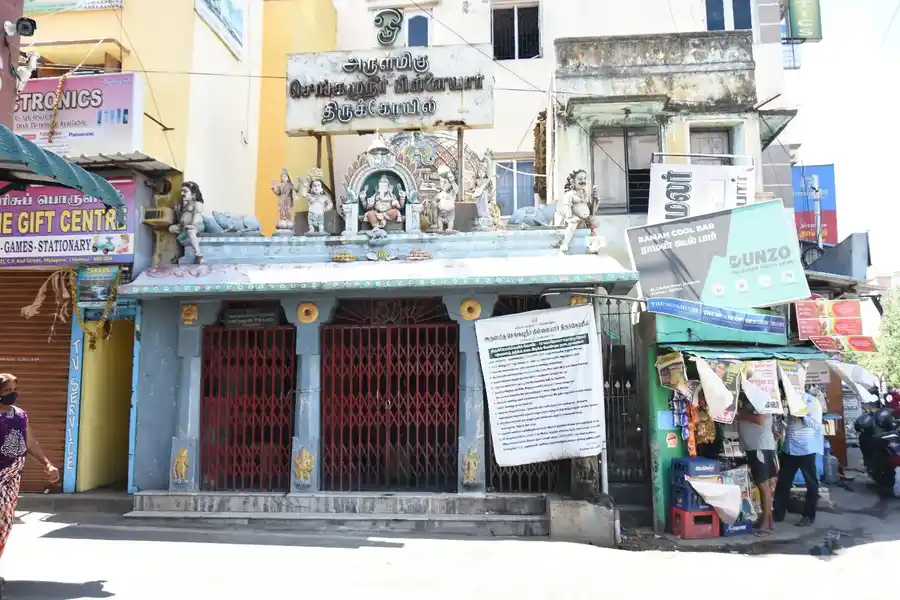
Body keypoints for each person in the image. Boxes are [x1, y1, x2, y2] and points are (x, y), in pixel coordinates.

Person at [0, 374, 59, 568]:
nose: (13, 394)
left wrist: (47, 464)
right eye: (7, 390)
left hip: (11, 478)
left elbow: (30, 441)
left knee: (5, 522)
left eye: (14, 390)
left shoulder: (19, 415)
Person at [774, 388, 823, 527]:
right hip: (789, 448)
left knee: (811, 484)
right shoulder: (788, 401)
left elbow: (816, 425)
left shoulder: (812, 402)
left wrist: (801, 415)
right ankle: (778, 513)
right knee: (783, 483)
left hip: (806, 449)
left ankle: (808, 515)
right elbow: (788, 423)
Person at [737, 393, 778, 533]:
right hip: (760, 445)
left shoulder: (759, 399)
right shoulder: (763, 398)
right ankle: (769, 520)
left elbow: (760, 419)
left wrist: (740, 415)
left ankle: (765, 523)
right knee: (766, 485)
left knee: (763, 485)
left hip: (758, 446)